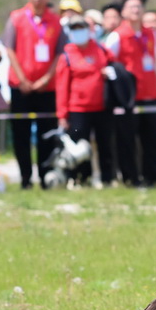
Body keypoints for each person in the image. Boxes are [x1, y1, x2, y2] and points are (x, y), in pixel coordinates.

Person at [2, 0, 64, 189]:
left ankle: (46, 178)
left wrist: (46, 78)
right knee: (21, 134)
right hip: (21, 87)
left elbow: (60, 53)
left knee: (47, 135)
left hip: (47, 88)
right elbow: (9, 49)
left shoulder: (55, 21)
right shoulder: (17, 18)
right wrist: (22, 79)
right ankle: (26, 179)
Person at [104, 0, 156, 186]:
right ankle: (131, 178)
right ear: (123, 11)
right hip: (129, 98)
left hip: (150, 94)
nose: (136, 10)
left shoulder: (151, 34)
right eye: (132, 7)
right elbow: (108, 63)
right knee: (127, 141)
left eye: (139, 6)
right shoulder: (117, 36)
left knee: (153, 139)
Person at [56, 16, 116, 186]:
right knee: (78, 147)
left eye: (81, 27)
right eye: (74, 28)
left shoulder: (100, 50)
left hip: (101, 108)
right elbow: (62, 88)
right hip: (78, 109)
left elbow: (114, 65)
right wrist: (62, 114)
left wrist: (109, 72)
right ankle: (80, 178)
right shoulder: (67, 55)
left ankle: (107, 178)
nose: (79, 31)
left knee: (105, 144)